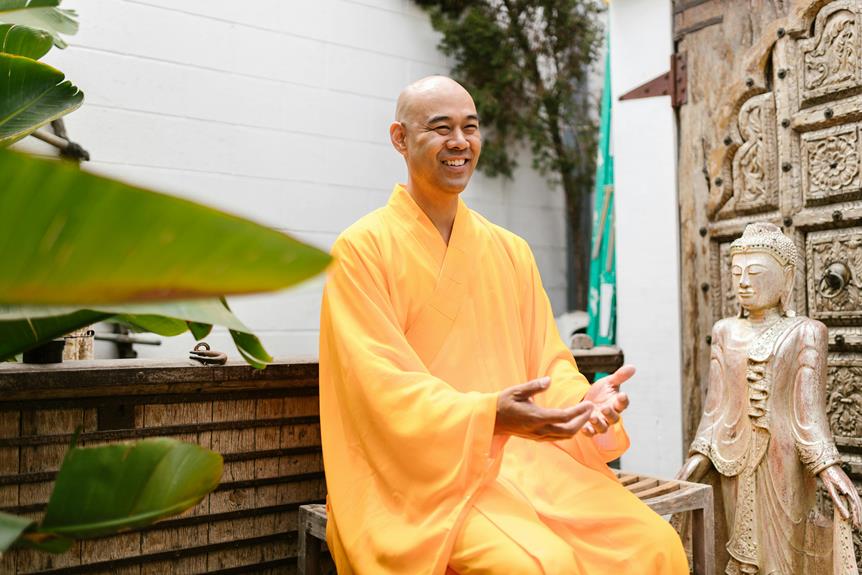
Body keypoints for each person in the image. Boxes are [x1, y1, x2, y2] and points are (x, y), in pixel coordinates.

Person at [319, 75, 688, 574]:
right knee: (541, 565)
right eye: (440, 127)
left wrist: (580, 403)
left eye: (470, 128)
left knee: (653, 545)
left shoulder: (510, 251)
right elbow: (379, 388)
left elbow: (548, 360)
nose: (459, 142)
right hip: (421, 477)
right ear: (400, 139)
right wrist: (489, 415)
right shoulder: (361, 251)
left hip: (527, 461)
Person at [677, 222, 862, 574]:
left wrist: (829, 466)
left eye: (755, 272)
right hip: (729, 454)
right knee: (739, 553)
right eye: (736, 273)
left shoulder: (806, 332)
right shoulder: (724, 331)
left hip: (783, 462)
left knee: (782, 560)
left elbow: (809, 415)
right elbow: (714, 406)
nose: (743, 282)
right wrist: (698, 456)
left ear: (785, 278)